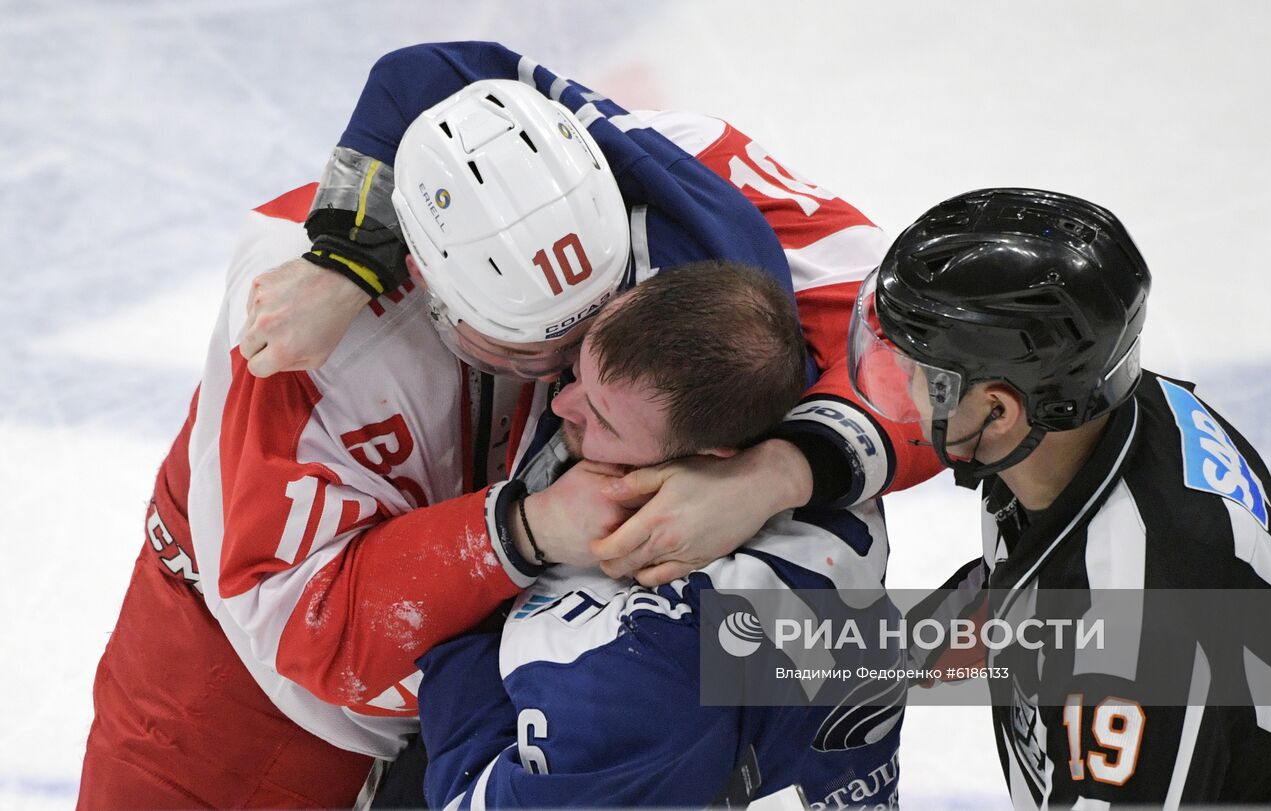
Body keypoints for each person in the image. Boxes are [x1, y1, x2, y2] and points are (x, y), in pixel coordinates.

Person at [77, 51, 934, 808]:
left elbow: (927, 341)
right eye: (540, 350)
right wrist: (520, 528)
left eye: (602, 317)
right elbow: (294, 615)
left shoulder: (662, 180)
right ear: (432, 291)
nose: (566, 382)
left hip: (533, 695)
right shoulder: (297, 344)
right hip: (249, 688)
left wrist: (778, 473)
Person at [236, 41, 942, 586]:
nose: (562, 389)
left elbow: (954, 387)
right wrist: (347, 257)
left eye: (563, 352)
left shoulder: (739, 334)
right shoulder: (593, 163)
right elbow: (431, 74)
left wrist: (774, 476)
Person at [849, 187, 1271, 806]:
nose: (906, 384)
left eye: (921, 369)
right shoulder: (1101, 423)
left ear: (997, 409)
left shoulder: (1130, 637)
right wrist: (975, 615)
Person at [412, 264, 900, 809]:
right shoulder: (826, 487)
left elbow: (468, 797)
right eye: (577, 370)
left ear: (715, 454)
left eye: (599, 419)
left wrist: (465, 617)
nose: (558, 406)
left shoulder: (635, 675)